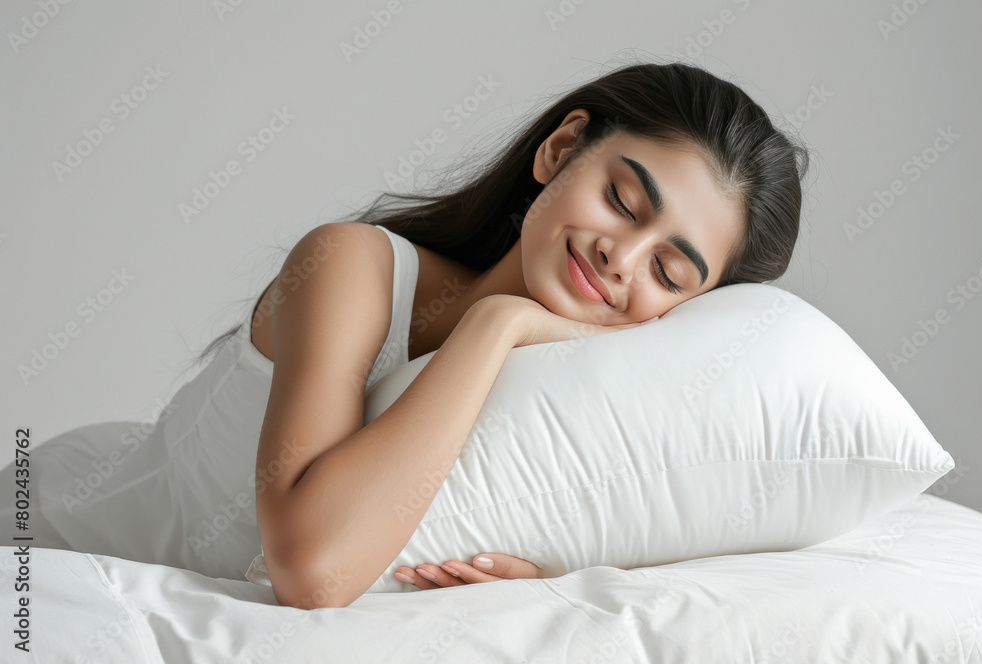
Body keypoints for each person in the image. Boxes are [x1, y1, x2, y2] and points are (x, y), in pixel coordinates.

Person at [2, 59, 807, 611]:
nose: (621, 257)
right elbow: (312, 567)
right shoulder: (352, 268)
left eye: (670, 272)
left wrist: (542, 572)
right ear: (562, 150)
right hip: (55, 524)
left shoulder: (618, 407)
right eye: (624, 201)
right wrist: (499, 323)